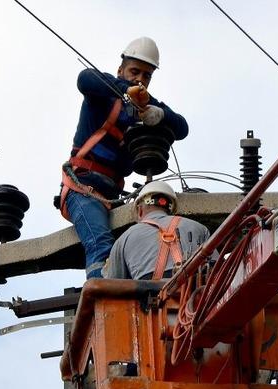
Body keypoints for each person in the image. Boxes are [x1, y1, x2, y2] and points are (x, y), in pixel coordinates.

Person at [58, 37, 189, 279]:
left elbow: (182, 127)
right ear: (121, 70)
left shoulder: (145, 107)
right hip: (82, 189)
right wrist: (123, 89)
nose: (140, 79)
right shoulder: (101, 95)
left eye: (147, 76)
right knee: (101, 244)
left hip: (114, 197)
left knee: (132, 248)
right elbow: (85, 78)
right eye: (134, 71)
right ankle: (102, 302)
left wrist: (158, 114)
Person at [103, 181, 209, 280]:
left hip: (149, 297)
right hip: (199, 295)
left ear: (139, 210)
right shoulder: (200, 228)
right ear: (171, 208)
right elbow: (215, 269)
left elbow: (112, 285)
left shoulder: (124, 238)